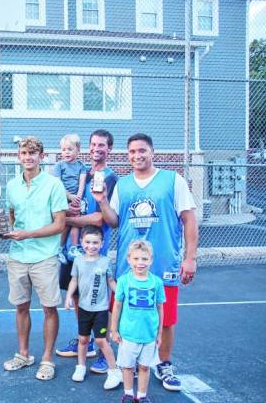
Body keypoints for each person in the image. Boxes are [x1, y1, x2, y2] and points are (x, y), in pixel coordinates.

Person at [94, 133, 198, 392]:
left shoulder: (173, 181)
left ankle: (163, 363)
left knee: (165, 319)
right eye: (132, 152)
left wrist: (190, 258)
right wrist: (103, 201)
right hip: (129, 267)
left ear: (153, 152)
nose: (137, 156)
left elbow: (189, 219)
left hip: (164, 263)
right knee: (127, 316)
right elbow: (114, 220)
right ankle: (127, 365)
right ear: (127, 155)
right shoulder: (124, 184)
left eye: (142, 150)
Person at [1, 136, 67, 381]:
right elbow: (10, 213)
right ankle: (23, 354)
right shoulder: (11, 186)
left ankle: (47, 358)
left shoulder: (54, 184)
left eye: (32, 153)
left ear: (41, 156)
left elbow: (60, 224)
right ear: (18, 156)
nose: (28, 157)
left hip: (45, 257)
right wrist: (5, 230)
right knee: (21, 307)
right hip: (18, 256)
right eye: (23, 153)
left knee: (49, 308)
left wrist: (27, 234)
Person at [56, 129, 118, 374]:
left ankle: (105, 348)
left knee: (100, 301)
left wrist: (69, 220)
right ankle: (88, 340)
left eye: (102, 145)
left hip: (93, 252)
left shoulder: (110, 178)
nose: (96, 149)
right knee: (77, 298)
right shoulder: (82, 172)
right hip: (73, 251)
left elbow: (99, 217)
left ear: (109, 149)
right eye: (93, 144)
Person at [64, 225, 121, 389]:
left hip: (100, 310)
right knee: (83, 339)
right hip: (83, 308)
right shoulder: (78, 261)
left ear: (102, 243)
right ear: (81, 242)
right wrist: (68, 296)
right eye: (88, 242)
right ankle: (80, 367)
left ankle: (114, 371)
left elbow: (110, 281)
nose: (91, 246)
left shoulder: (105, 261)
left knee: (101, 340)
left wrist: (120, 293)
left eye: (95, 242)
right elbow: (74, 280)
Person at [110, 240, 165, 403]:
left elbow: (160, 308)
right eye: (136, 259)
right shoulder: (124, 281)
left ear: (151, 260)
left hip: (148, 335)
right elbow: (117, 306)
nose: (140, 263)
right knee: (127, 367)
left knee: (144, 367)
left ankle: (141, 396)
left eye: (144, 259)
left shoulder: (157, 282)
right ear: (129, 259)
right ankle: (128, 394)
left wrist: (159, 333)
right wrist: (114, 329)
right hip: (128, 334)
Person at [53, 133, 87, 260]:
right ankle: (60, 248)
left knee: (76, 222)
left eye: (70, 149)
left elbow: (82, 183)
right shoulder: (59, 166)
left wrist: (77, 197)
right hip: (63, 198)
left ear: (78, 150)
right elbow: (58, 184)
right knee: (65, 223)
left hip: (76, 199)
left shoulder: (81, 166)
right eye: (63, 150)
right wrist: (69, 196)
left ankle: (73, 248)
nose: (66, 152)